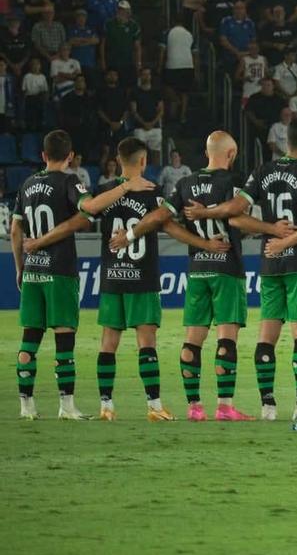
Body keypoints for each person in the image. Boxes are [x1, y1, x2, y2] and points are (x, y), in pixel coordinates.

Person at [92, 137, 224, 420]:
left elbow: (87, 212)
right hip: (142, 277)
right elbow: (171, 228)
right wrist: (204, 244)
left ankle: (106, 406)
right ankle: (153, 407)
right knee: (146, 341)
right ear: (143, 161)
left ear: (117, 159)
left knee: (108, 342)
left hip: (113, 275)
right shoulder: (153, 194)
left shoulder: (104, 191)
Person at [12, 130, 142, 420]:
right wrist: (125, 186)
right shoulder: (70, 180)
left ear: (43, 155)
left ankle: (26, 404)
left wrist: (20, 267)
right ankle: (66, 405)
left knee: (29, 338)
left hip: (33, 270)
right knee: (64, 338)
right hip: (59, 269)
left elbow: (14, 230)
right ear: (70, 156)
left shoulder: (27, 183)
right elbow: (92, 207)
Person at [235, 118, 297, 419]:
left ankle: (267, 406)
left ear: (285, 142)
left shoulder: (262, 172)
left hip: (270, 262)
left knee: (267, 333)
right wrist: (288, 238)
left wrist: (270, 231)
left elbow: (236, 217)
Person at [167, 130, 255, 419]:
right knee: (226, 337)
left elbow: (166, 223)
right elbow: (240, 217)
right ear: (231, 154)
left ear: (207, 153)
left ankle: (194, 408)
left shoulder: (184, 183)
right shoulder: (235, 181)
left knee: (193, 339)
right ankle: (225, 406)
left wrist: (202, 244)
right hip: (227, 267)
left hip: (198, 268)